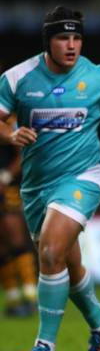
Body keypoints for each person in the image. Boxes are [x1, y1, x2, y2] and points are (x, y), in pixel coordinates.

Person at [0, 6, 100, 351]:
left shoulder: (98, 78)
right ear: (48, 41)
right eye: (63, 37)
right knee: (65, 260)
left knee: (49, 251)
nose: (71, 45)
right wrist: (10, 133)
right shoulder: (18, 78)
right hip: (36, 187)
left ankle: (44, 346)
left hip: (81, 179)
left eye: (77, 37)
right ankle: (99, 321)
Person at [0, 127, 37, 317]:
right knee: (2, 246)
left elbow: (22, 153)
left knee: (16, 240)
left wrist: (5, 176)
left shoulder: (9, 121)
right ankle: (13, 297)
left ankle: (31, 295)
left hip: (7, 188)